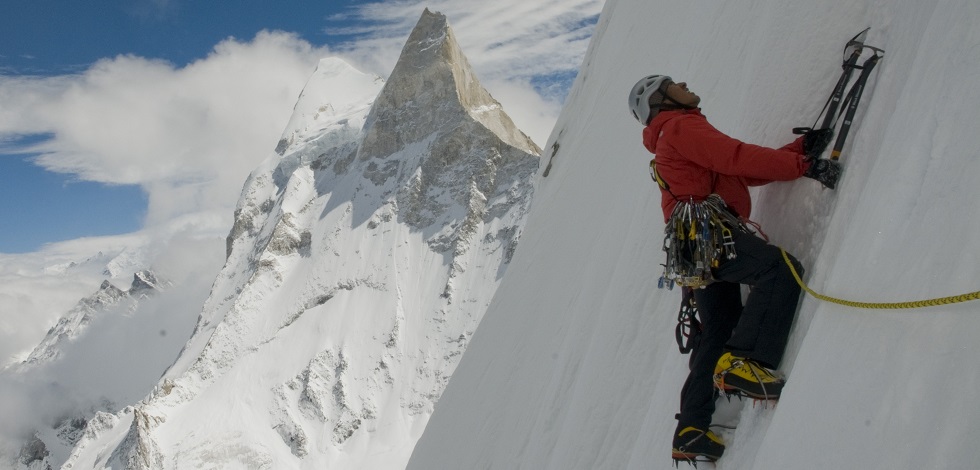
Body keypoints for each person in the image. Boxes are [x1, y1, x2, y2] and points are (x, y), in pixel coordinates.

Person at [627, 75, 841, 464]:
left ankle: (691, 429)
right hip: (709, 233)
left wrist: (795, 151)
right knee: (779, 270)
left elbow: (737, 171)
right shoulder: (680, 125)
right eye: (672, 83)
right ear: (660, 100)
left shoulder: (669, 137)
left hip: (691, 247)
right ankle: (748, 362)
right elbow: (736, 157)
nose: (684, 84)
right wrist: (806, 165)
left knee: (719, 327)